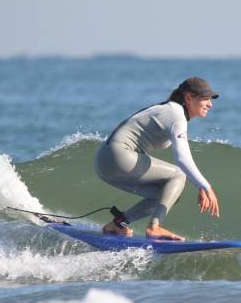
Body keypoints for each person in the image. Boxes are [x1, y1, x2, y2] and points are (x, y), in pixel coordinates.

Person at [94, 77, 221, 240]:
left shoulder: (168, 110)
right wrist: (205, 187)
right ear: (189, 98)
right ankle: (155, 227)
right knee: (178, 175)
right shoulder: (176, 114)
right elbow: (182, 158)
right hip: (119, 155)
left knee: (166, 194)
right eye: (205, 99)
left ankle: (118, 224)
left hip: (105, 161)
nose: (210, 104)